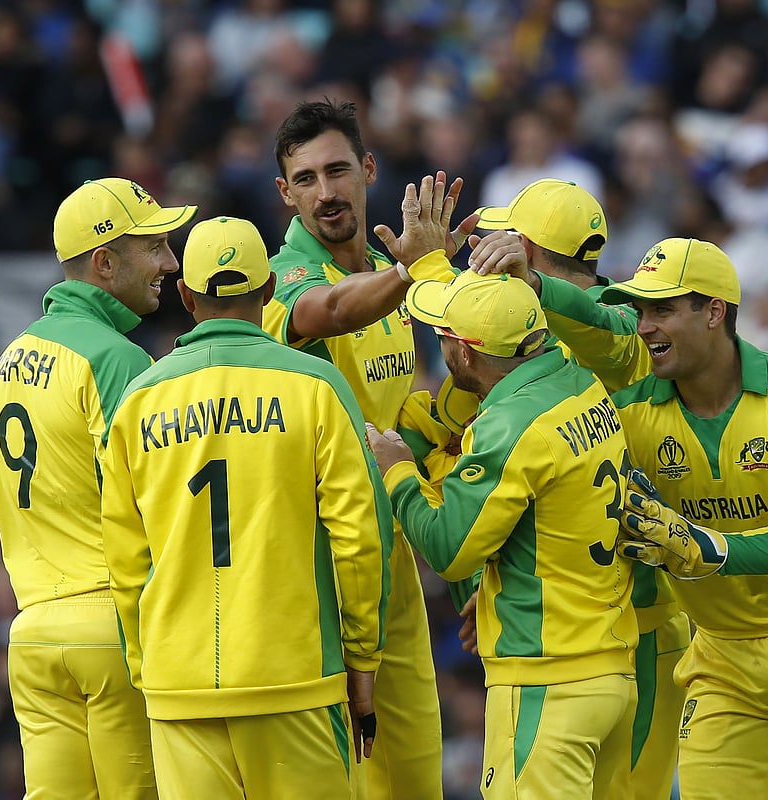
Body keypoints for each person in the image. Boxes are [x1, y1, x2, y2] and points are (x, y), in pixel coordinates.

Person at [481, 237, 768, 799]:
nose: (643, 328)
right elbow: (571, 512)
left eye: (661, 310)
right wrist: (487, 584)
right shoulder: (627, 415)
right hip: (721, 656)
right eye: (639, 312)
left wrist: (705, 548)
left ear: (714, 312)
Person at [99, 215, 393, 798]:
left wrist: (145, 669)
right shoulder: (317, 385)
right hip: (297, 679)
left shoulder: (136, 404)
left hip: (179, 686)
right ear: (268, 293)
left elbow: (126, 560)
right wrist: (363, 662)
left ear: (185, 295)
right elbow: (360, 539)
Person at [261, 97, 476, 799]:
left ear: (368, 169)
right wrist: (414, 275)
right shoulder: (283, 276)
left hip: (393, 564)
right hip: (319, 570)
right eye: (306, 180)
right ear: (285, 195)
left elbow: (397, 423)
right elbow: (328, 311)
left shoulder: (391, 270)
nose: (325, 193)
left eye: (338, 171)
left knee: (416, 778)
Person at [366, 269, 638, 800]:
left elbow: (450, 550)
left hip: (546, 682)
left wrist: (398, 470)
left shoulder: (511, 424)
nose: (439, 344)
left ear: (466, 354)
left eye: (444, 335)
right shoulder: (580, 382)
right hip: (609, 670)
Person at [472, 178, 689, 800]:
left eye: (505, 238)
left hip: (629, 626)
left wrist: (537, 286)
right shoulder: (527, 329)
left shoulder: (624, 322)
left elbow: (610, 324)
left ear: (527, 250)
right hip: (586, 621)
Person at [0, 177, 196, 798]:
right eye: (153, 246)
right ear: (105, 263)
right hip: (113, 627)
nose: (170, 262)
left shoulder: (7, 362)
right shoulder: (116, 360)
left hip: (33, 634)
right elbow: (157, 506)